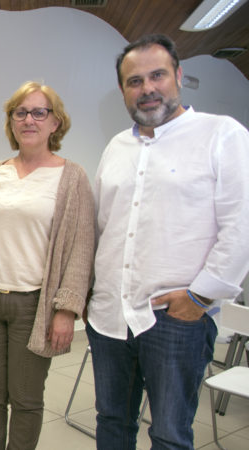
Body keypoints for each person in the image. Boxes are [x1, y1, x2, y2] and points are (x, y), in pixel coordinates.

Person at [88, 34, 249, 449]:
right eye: (134, 81)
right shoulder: (117, 147)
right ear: (123, 89)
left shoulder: (221, 135)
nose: (147, 88)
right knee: (112, 422)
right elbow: (102, 228)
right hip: (110, 317)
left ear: (178, 75)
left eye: (157, 75)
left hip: (175, 319)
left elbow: (241, 226)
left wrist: (200, 296)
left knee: (169, 435)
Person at [0, 81, 95, 449]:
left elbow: (81, 248)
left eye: (39, 112)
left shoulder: (71, 177)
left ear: (55, 122)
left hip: (33, 306)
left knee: (26, 400)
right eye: (21, 112)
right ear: (11, 121)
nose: (29, 120)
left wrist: (66, 310)